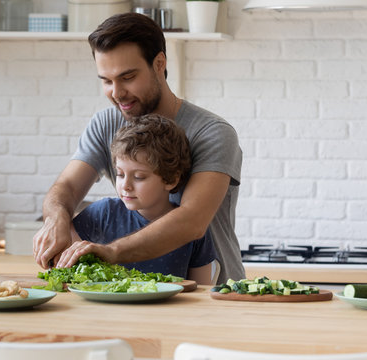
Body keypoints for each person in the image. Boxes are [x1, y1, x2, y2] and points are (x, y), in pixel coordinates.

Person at [33, 12, 245, 283]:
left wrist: (110, 252)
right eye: (107, 81)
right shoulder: (105, 123)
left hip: (213, 294)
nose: (117, 93)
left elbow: (191, 221)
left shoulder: (212, 133)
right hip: (137, 291)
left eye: (128, 77)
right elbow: (67, 189)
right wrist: (56, 219)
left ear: (159, 64)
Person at [71, 114, 217, 284]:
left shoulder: (190, 229)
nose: (125, 185)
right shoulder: (103, 213)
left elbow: (201, 292)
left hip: (171, 311)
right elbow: (67, 254)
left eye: (139, 177)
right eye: (120, 174)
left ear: (171, 179)